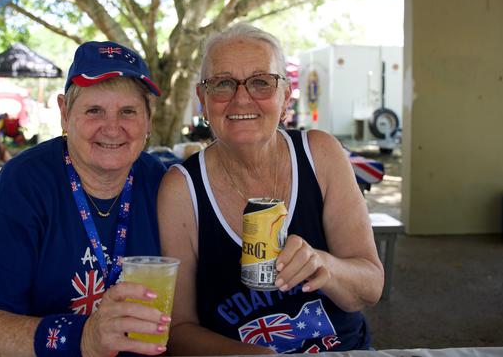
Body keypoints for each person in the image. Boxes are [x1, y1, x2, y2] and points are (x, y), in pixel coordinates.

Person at [158, 23, 384, 354]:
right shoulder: (182, 188)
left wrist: (324, 265)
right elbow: (177, 329)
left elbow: (370, 288)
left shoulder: (320, 154)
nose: (241, 99)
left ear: (285, 95)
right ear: (203, 100)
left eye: (261, 82)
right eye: (222, 84)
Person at [0, 41, 170, 357]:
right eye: (94, 110)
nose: (112, 128)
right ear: (65, 114)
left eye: (128, 111)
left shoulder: (160, 181)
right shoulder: (24, 182)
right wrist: (83, 338)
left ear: (149, 120)